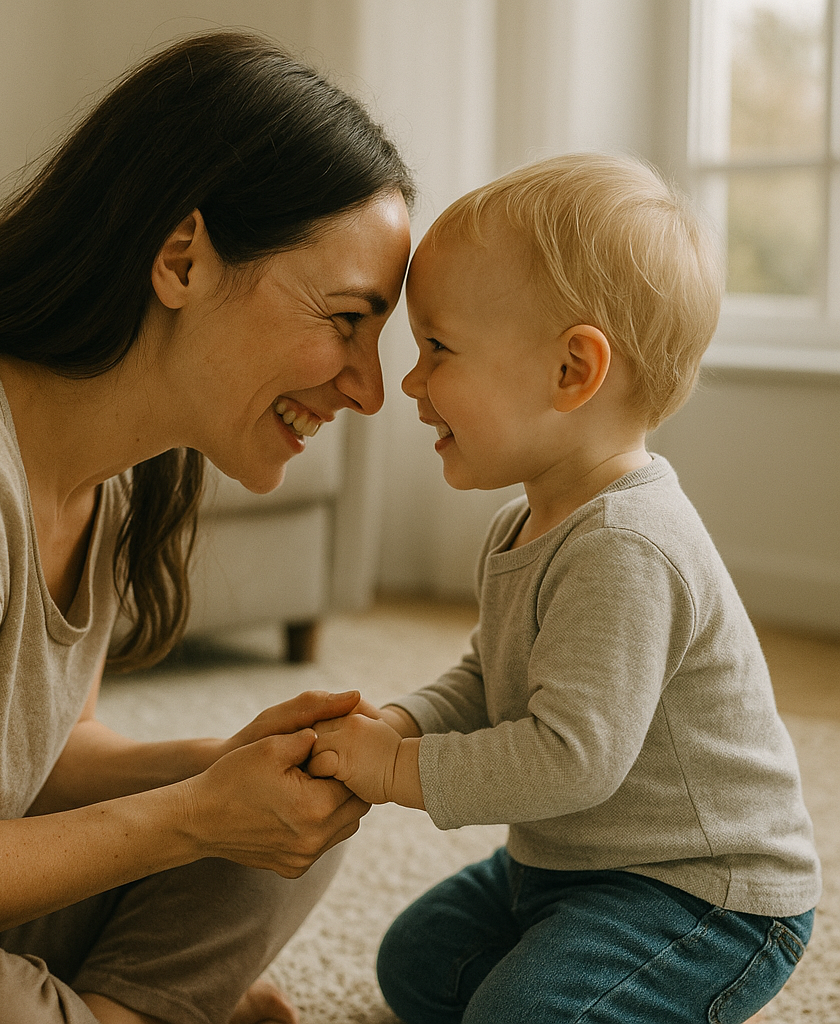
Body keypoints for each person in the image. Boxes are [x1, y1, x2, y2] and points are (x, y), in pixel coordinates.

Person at [0, 31, 414, 1024]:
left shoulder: (117, 473)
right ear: (182, 258)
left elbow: (42, 760)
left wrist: (225, 773)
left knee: (292, 818)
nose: (367, 386)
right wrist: (184, 816)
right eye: (346, 317)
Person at [307, 153, 820, 1023]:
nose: (411, 382)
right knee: (415, 963)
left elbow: (568, 758)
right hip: (569, 864)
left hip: (702, 894)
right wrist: (402, 721)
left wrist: (399, 769)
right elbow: (489, 675)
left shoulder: (629, 547)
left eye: (437, 348)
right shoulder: (527, 522)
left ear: (571, 373)